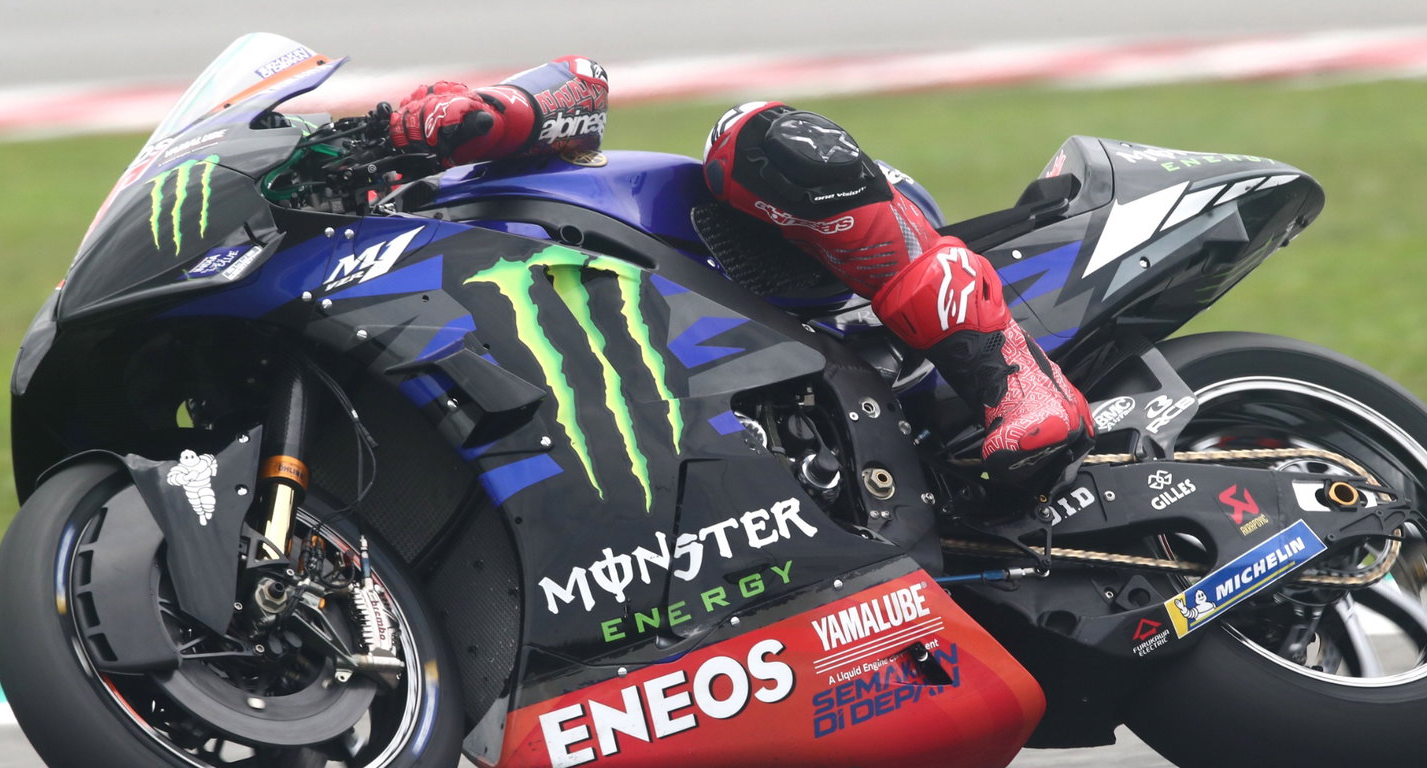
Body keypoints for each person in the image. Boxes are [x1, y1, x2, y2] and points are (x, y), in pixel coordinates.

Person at [387, 56, 1093, 483]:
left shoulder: (420, 175)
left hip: (797, 247)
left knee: (749, 134)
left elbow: (581, 84)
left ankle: (1015, 379)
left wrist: (479, 113)